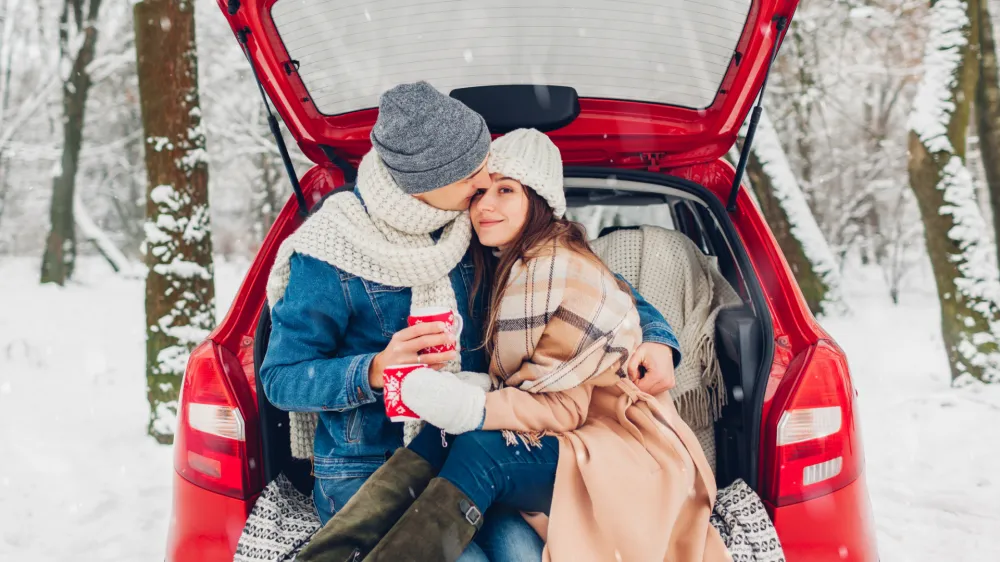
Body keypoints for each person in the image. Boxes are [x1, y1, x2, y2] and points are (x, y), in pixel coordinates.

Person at [262, 84, 681, 562]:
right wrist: (375, 369)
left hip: (478, 447)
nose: (485, 187)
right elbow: (282, 376)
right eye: (475, 176)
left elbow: (593, 284)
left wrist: (657, 338)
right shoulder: (333, 249)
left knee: (523, 554)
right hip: (374, 470)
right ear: (427, 182)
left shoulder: (473, 225)